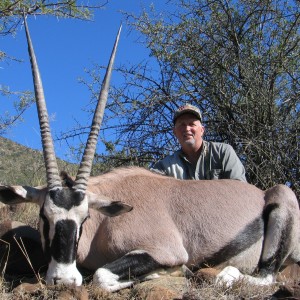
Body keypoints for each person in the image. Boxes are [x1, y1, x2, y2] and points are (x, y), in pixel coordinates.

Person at [151, 104, 247, 181]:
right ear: (175, 132)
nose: (187, 129)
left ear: (202, 130)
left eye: (192, 124)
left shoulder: (223, 152)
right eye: (182, 124)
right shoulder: (164, 166)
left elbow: (239, 189)